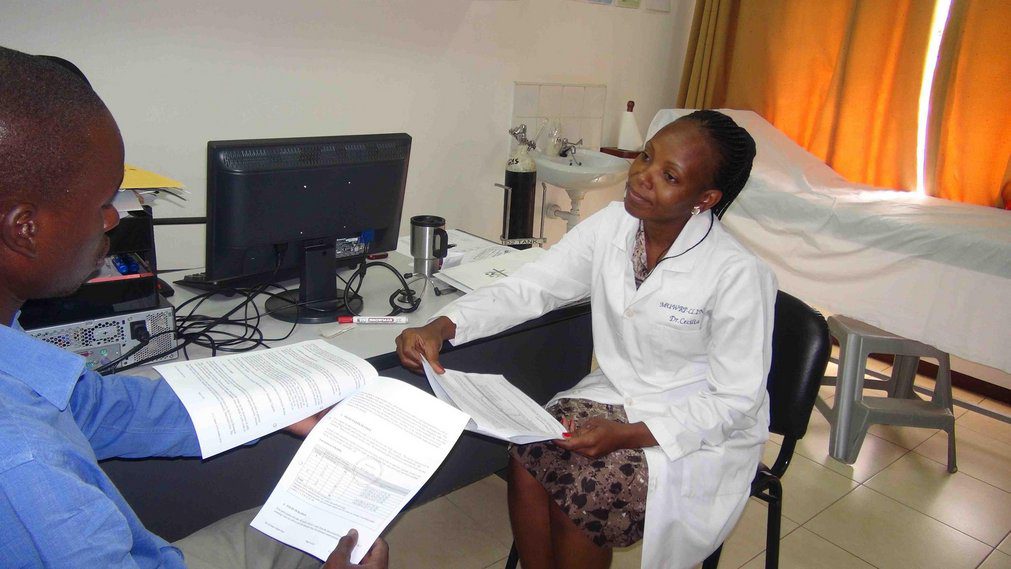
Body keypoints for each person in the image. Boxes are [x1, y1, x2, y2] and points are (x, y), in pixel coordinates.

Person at [0, 46, 388, 569]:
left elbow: (98, 409)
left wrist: (265, 405)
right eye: (102, 203)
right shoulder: (24, 464)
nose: (113, 221)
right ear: (25, 228)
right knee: (360, 540)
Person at [397, 110, 777, 569]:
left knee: (584, 490)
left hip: (692, 424)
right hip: (616, 395)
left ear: (705, 198)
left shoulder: (737, 274)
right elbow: (534, 285)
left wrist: (630, 435)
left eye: (668, 176)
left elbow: (736, 401)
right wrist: (443, 325)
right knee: (528, 453)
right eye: (646, 157)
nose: (642, 177)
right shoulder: (613, 225)